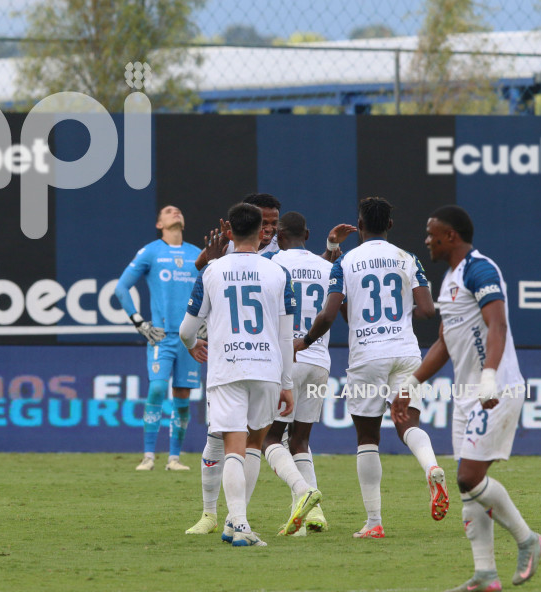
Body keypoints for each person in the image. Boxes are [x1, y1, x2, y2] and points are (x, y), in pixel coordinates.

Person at [185, 194, 354, 535]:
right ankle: (211, 514)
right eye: (264, 222)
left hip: (232, 364)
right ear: (250, 223)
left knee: (243, 443)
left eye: (274, 224)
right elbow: (285, 325)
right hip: (267, 363)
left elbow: (192, 318)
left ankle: (236, 519)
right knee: (225, 442)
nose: (269, 229)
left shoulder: (275, 262)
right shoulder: (258, 263)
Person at [406, 205, 541, 592]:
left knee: (469, 477)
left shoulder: (479, 269)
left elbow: (497, 324)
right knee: (468, 487)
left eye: (432, 233)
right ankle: (485, 573)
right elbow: (446, 341)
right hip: (466, 395)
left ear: (450, 236)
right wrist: (412, 382)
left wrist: (488, 378)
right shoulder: (450, 278)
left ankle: (527, 539)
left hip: (494, 390)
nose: (427, 240)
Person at [294, 197, 448, 539]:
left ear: (360, 226)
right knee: (408, 424)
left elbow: (329, 314)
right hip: (406, 352)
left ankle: (374, 522)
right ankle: (432, 466)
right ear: (389, 226)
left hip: (367, 355)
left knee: (368, 438)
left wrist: (303, 342)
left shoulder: (346, 262)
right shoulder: (408, 259)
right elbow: (425, 310)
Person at [260, 211, 350, 535]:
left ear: (278, 236)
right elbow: (340, 310)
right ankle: (316, 515)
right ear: (307, 235)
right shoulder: (329, 267)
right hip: (319, 362)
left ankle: (303, 492)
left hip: (288, 359)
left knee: (270, 438)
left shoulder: (271, 266)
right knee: (300, 440)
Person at [115, 205, 202, 472]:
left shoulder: (197, 254)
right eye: (168, 211)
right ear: (159, 224)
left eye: (178, 211)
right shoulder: (151, 251)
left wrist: (207, 323)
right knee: (156, 388)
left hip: (190, 337)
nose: (176, 212)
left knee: (183, 394)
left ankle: (174, 458)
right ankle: (148, 456)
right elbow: (121, 288)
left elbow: (211, 291)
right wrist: (139, 322)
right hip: (161, 335)